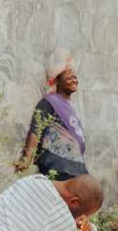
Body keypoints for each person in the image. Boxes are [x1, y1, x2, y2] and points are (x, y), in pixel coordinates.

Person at [15, 52, 88, 180]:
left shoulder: (70, 106)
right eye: (69, 78)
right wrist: (26, 159)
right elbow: (35, 131)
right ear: (57, 81)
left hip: (76, 167)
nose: (74, 80)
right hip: (56, 167)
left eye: (75, 77)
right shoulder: (48, 102)